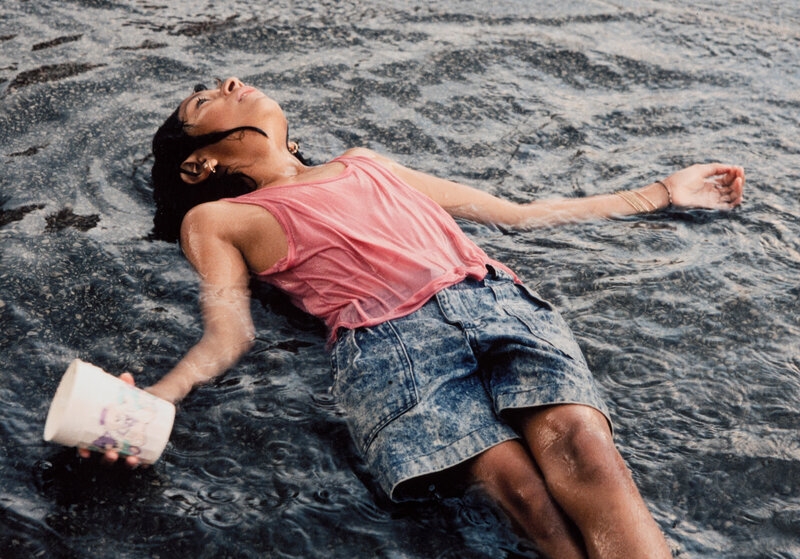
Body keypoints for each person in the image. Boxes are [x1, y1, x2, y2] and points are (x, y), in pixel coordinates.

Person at [85, 76, 744, 558]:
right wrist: (156, 396)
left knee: (585, 445)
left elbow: (515, 213)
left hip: (497, 301)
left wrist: (661, 193)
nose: (228, 81)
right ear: (200, 162)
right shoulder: (215, 218)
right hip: (389, 349)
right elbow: (228, 328)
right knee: (524, 497)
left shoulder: (366, 164)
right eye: (204, 100)